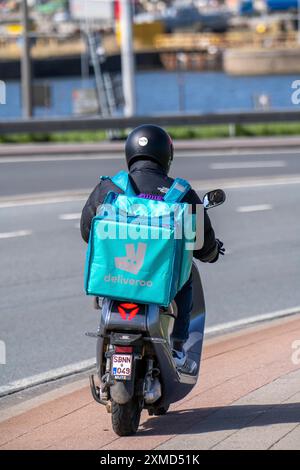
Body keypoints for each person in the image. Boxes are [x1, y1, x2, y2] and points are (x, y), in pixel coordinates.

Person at [80, 124, 224, 374]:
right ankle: (178, 347)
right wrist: (212, 252)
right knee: (186, 274)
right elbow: (201, 244)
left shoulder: (110, 187)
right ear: (166, 156)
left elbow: (86, 231)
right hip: (158, 284)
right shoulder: (180, 193)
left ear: (130, 153)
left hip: (116, 278)